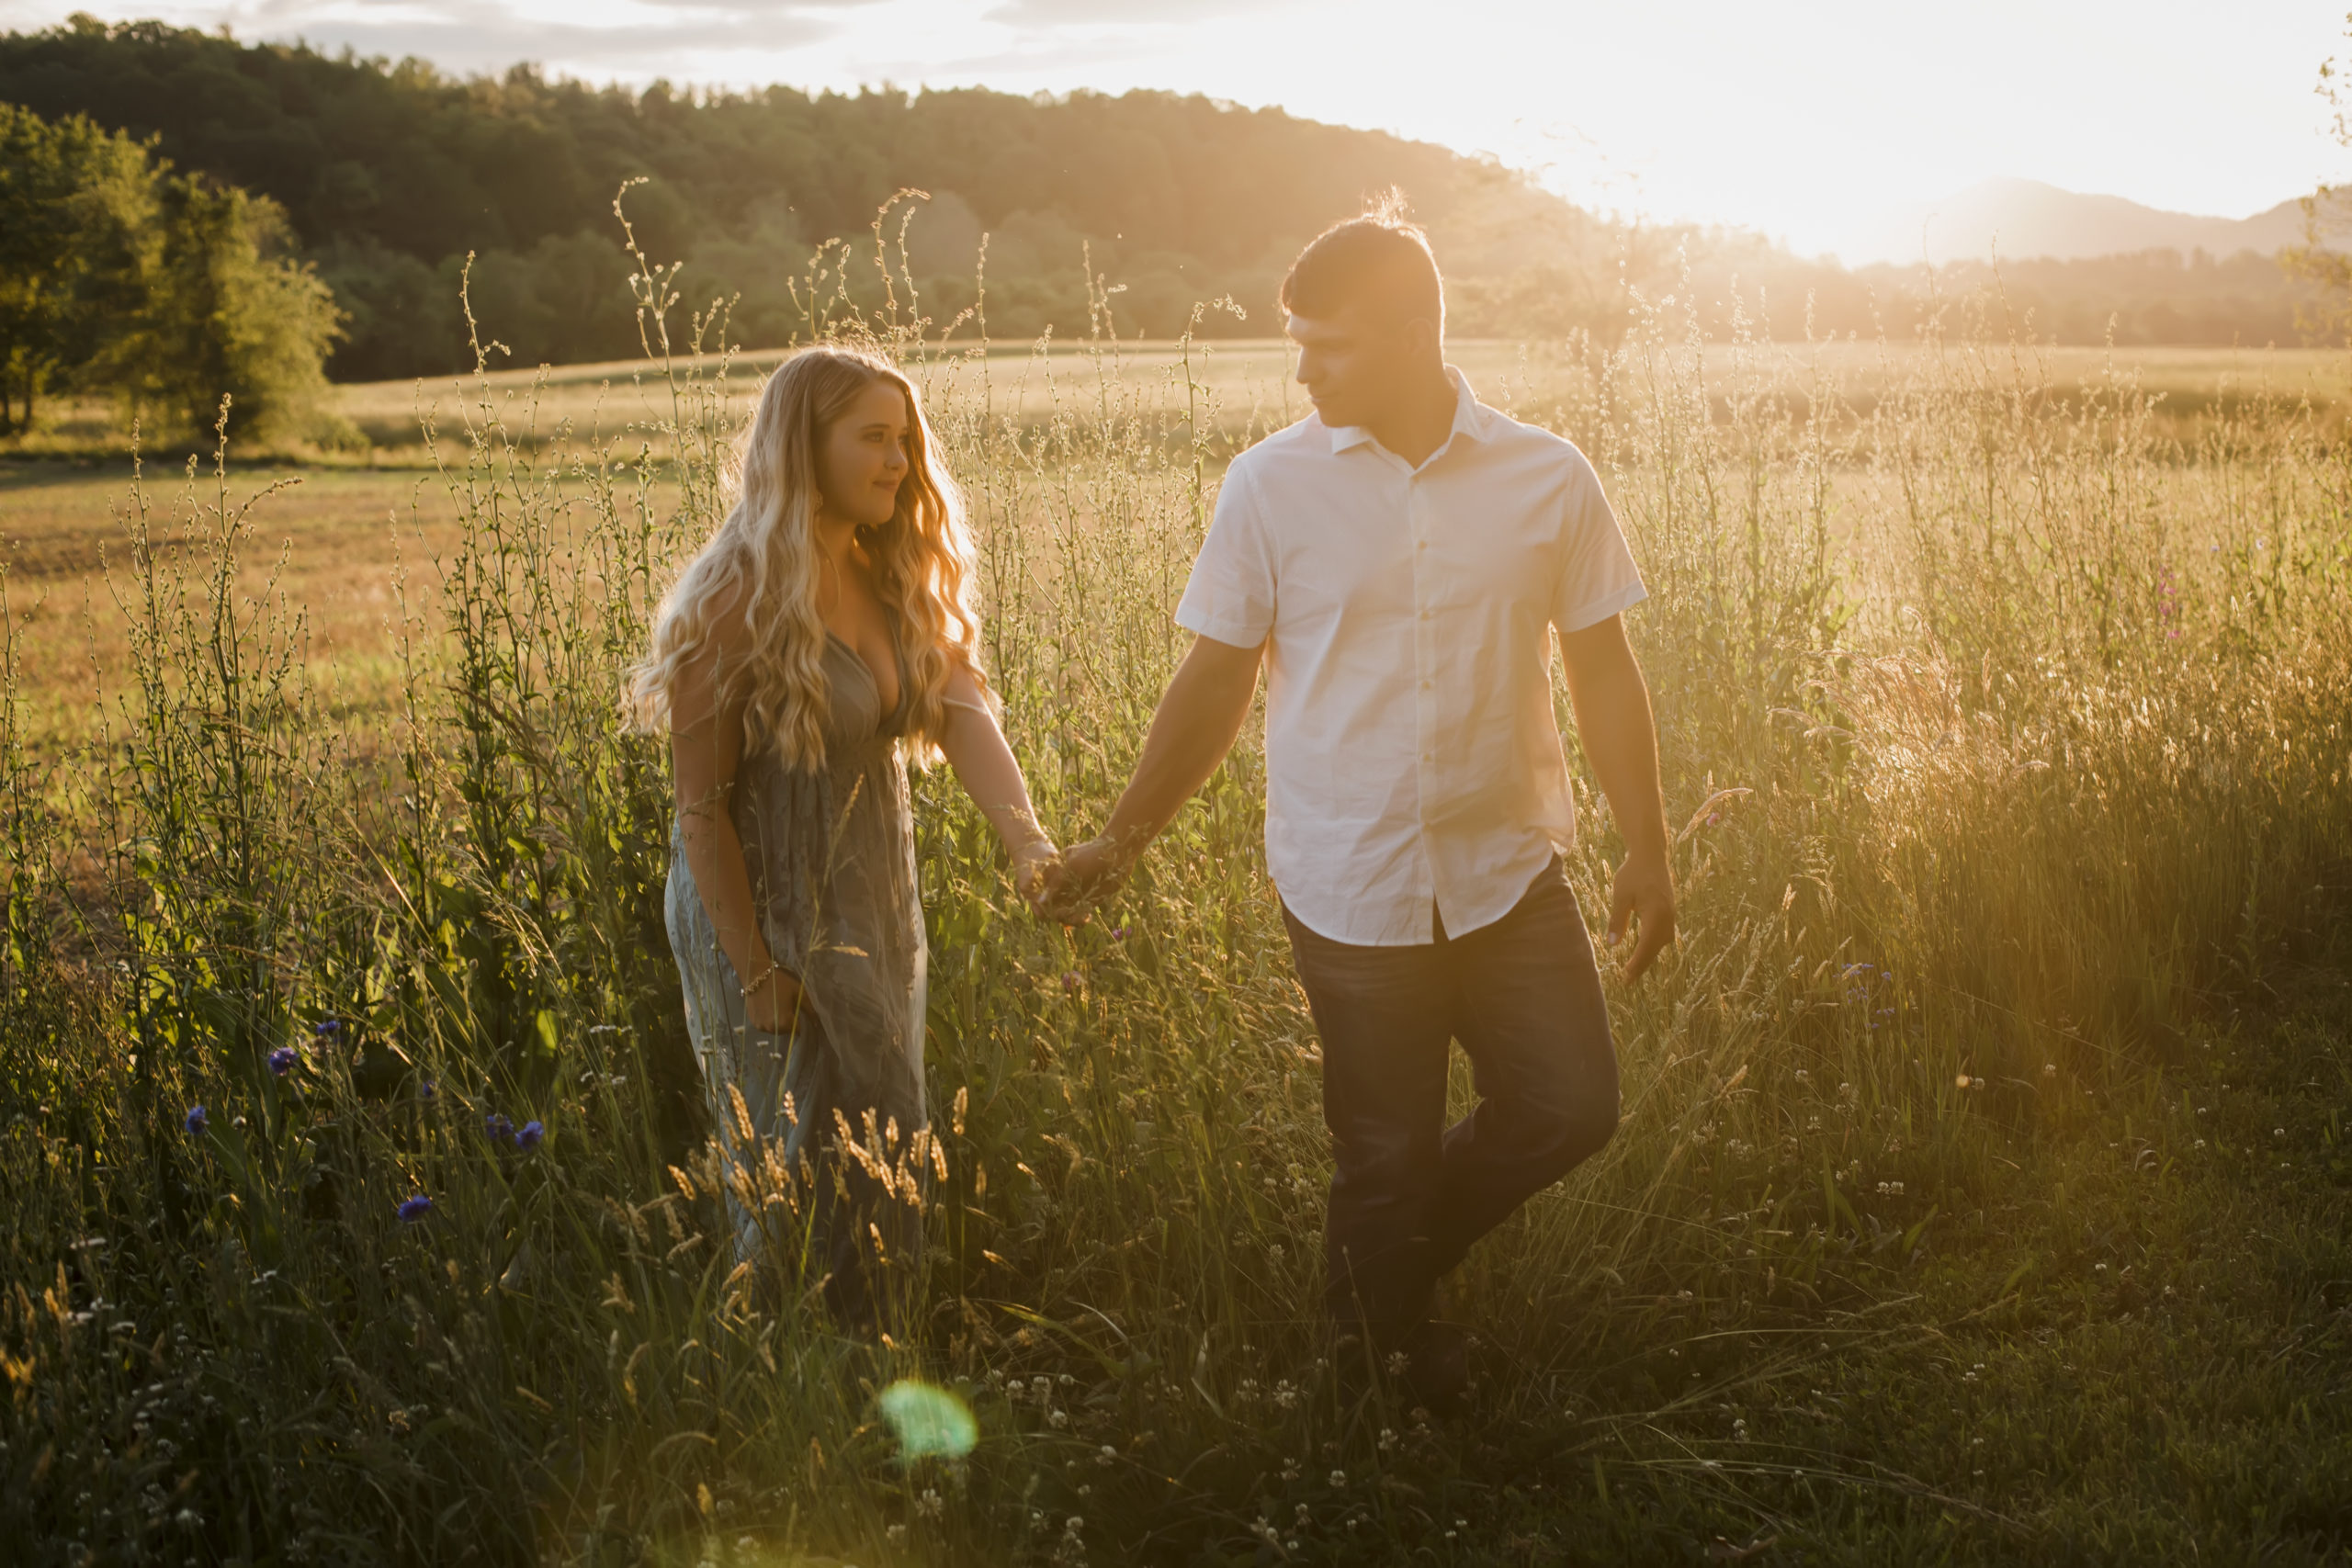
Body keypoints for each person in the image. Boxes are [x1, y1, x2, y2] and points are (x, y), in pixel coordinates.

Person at [1045, 205, 1676, 1405]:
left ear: (1411, 333)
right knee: (1380, 1152)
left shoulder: (1549, 477)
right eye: (1297, 342)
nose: (1302, 369)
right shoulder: (1269, 486)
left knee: (1572, 1104)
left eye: (1326, 344)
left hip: (1507, 871)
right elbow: (1217, 680)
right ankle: (1371, 1369)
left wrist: (1648, 843)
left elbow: (1602, 666)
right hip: (1349, 882)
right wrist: (1121, 840)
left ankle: (1365, 1280)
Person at [628, 344, 1057, 1331]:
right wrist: (752, 968)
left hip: (868, 893)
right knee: (794, 1155)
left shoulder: (885, 572)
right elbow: (699, 810)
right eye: (872, 437)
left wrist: (1029, 849)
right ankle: (775, 1361)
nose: (898, 460)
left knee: (881, 1125)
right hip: (762, 908)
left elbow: (962, 709)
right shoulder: (733, 600)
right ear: (802, 446)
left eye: (903, 439)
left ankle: (872, 1343)